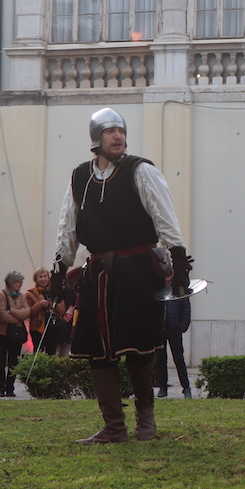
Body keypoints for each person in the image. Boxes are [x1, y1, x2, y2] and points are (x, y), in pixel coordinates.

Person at [54, 107, 192, 444]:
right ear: (96, 138)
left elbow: (165, 218)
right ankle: (113, 426)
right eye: (110, 131)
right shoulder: (79, 177)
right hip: (97, 273)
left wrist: (179, 265)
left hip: (138, 271)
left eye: (121, 131)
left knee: (140, 345)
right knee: (97, 351)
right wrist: (60, 273)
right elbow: (67, 228)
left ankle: (146, 418)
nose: (118, 136)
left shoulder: (140, 170)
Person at [0, 270, 33, 398]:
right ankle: (0, 388)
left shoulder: (23, 296)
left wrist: (13, 312)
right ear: (11, 283)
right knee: (0, 362)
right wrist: (18, 316)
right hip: (1, 334)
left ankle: (10, 388)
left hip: (16, 335)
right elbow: (1, 314)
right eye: (18, 282)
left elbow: (27, 312)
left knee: (14, 362)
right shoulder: (1, 295)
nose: (21, 284)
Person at [26, 267, 73, 357]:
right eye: (40, 277)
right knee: (38, 353)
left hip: (52, 327)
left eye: (45, 276)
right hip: (37, 327)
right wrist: (40, 304)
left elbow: (63, 310)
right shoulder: (30, 293)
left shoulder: (55, 292)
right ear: (36, 279)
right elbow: (29, 312)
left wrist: (53, 305)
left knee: (51, 353)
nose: (43, 279)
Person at [155, 298, 192, 399]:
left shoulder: (178, 290)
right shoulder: (159, 289)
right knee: (160, 359)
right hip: (160, 330)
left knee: (179, 359)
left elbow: (186, 308)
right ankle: (162, 387)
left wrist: (182, 326)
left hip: (175, 330)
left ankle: (186, 387)